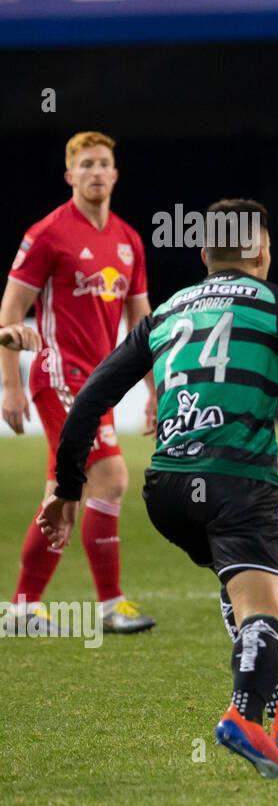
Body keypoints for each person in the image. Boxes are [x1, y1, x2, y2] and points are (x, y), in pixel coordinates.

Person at [37, 200, 278, 778]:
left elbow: (93, 397)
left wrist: (67, 487)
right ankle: (243, 715)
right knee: (265, 608)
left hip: (166, 490)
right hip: (237, 482)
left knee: (242, 580)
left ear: (204, 254)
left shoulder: (168, 310)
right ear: (261, 251)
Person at [1, 131, 157, 638]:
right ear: (70, 176)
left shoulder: (129, 240)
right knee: (109, 476)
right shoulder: (47, 234)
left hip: (100, 384)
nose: (95, 171)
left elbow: (143, 325)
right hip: (58, 376)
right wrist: (11, 384)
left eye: (103, 163)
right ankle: (107, 604)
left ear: (115, 174)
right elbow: (10, 312)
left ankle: (24, 609)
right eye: (85, 164)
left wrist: (157, 389)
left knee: (61, 489)